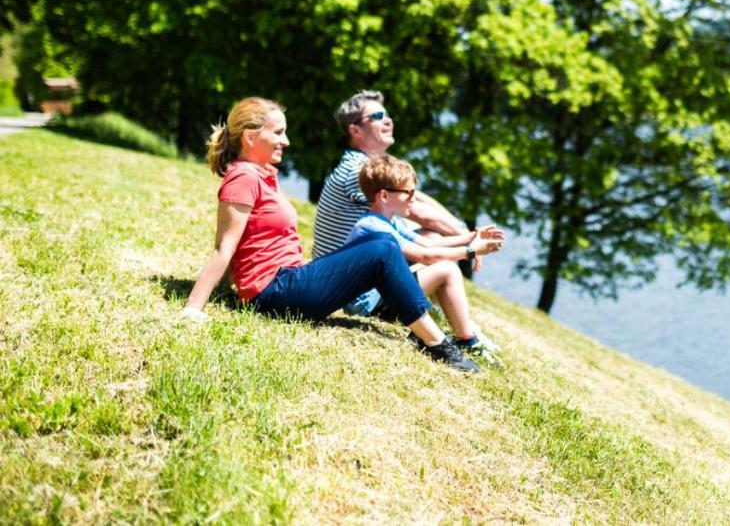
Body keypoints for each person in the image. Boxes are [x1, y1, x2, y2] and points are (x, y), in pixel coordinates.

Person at [180, 97, 479, 373]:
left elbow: (248, 243)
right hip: (275, 292)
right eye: (278, 133)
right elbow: (225, 247)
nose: (286, 141)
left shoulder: (262, 174)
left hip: (290, 281)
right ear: (249, 136)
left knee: (383, 242)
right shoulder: (243, 178)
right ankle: (438, 344)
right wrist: (194, 308)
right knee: (384, 251)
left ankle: (429, 335)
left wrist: (226, 290)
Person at [313, 91, 503, 357]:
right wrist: (470, 245)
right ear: (355, 129)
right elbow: (421, 214)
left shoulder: (372, 171)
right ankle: (465, 335)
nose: (388, 120)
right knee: (443, 263)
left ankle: (445, 314)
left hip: (358, 274)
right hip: (352, 284)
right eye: (377, 116)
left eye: (387, 113)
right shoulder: (358, 172)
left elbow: (419, 203)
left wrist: (465, 234)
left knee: (432, 238)